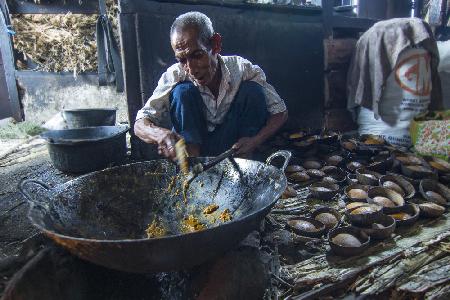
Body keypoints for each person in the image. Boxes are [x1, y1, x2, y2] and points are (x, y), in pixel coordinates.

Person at [134, 11, 288, 160]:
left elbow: (280, 112)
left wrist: (255, 141)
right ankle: (193, 171)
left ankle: (244, 165)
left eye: (197, 55)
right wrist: (160, 135)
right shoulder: (175, 74)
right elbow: (140, 123)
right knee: (182, 92)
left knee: (253, 90)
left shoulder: (242, 69)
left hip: (233, 150)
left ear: (215, 45)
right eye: (182, 60)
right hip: (194, 151)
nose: (191, 69)